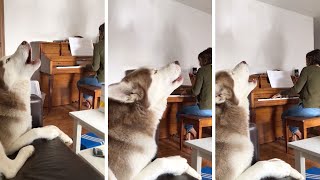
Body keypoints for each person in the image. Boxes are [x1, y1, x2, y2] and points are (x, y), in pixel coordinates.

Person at [272, 49, 320, 141]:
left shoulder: (307, 70)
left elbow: (296, 90)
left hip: (309, 110)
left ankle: (298, 134)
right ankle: (295, 136)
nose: (306, 62)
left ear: (310, 59)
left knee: (285, 114)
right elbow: (311, 90)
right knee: (294, 113)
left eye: (307, 60)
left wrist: (280, 93)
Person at [177, 47, 212, 140]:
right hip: (216, 109)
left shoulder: (202, 70)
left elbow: (195, 92)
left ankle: (192, 132)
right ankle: (188, 135)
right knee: (190, 109)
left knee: (180, 112)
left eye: (200, 60)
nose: (199, 63)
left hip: (206, 110)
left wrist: (187, 91)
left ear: (205, 60)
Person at [77, 23, 105, 108]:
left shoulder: (99, 45)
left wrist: (86, 65)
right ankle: (91, 101)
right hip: (113, 80)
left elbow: (95, 67)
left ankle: (89, 101)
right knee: (90, 78)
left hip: (102, 81)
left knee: (80, 82)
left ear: (101, 33)